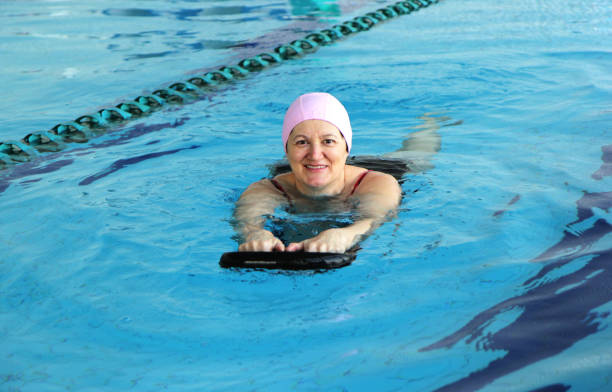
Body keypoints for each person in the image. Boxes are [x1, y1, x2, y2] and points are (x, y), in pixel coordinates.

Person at [234, 92, 442, 254]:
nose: (315, 154)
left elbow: (373, 220)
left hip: (369, 176)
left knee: (418, 155)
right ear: (286, 149)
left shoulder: (380, 184)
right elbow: (248, 222)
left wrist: (345, 235)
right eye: (302, 142)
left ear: (346, 147)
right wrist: (255, 234)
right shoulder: (267, 189)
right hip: (302, 174)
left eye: (328, 141)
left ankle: (430, 120)